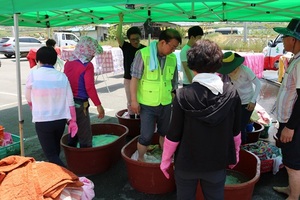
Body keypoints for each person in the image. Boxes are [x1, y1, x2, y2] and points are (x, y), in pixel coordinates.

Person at [160, 39, 241, 200]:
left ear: (192, 64)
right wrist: (235, 155)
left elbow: (173, 134)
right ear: (218, 63)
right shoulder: (231, 93)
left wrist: (165, 160)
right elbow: (236, 131)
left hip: (186, 164)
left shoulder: (182, 95)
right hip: (216, 163)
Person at [130, 28, 182, 162]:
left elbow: (174, 82)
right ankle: (140, 159)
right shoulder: (143, 54)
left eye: (176, 48)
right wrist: (134, 101)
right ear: (163, 42)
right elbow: (134, 79)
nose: (174, 50)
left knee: (165, 133)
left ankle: (165, 159)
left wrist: (174, 98)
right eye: (173, 46)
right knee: (146, 136)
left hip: (165, 103)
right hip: (147, 104)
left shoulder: (172, 58)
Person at [25, 46, 78, 167]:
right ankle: (59, 178)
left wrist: (35, 105)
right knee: (55, 151)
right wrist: (72, 121)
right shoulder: (62, 76)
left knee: (51, 155)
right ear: (55, 60)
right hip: (60, 120)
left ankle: (72, 179)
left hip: (43, 120)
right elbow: (70, 101)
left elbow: (28, 97)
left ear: (38, 60)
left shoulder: (33, 74)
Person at [272, 18, 300, 200]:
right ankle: (291, 189)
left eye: (286, 36)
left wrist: (290, 126)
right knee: (290, 158)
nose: (283, 40)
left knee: (293, 163)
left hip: (293, 122)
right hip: (287, 120)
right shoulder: (295, 60)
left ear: (295, 39)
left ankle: (294, 196)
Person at [64, 36, 105, 148]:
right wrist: (98, 105)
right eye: (92, 53)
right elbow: (90, 87)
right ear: (88, 52)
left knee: (73, 128)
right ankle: (85, 159)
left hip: (68, 102)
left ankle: (71, 154)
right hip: (80, 102)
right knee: (85, 133)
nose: (93, 56)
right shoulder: (87, 65)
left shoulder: (68, 63)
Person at [217, 51, 261, 144]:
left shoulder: (245, 70)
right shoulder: (226, 73)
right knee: (233, 125)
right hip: (235, 102)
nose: (230, 71)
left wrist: (253, 101)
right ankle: (235, 146)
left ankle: (242, 146)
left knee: (240, 126)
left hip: (248, 102)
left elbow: (258, 84)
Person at [116, 12, 146, 119]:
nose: (136, 41)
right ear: (129, 39)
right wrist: (121, 21)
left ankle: (140, 119)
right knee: (130, 101)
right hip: (129, 79)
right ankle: (132, 119)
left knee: (141, 100)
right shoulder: (126, 47)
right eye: (133, 39)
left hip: (142, 79)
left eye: (137, 38)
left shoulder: (144, 49)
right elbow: (118, 36)